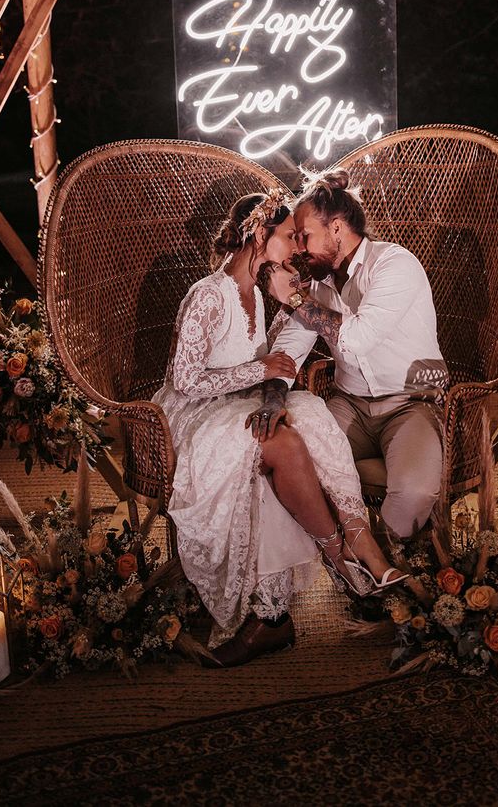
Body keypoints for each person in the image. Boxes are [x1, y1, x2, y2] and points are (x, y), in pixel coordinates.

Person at [152, 189, 406, 667]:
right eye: (289, 236)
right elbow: (183, 381)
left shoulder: (256, 293)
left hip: (235, 404)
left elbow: (279, 359)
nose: (296, 247)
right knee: (283, 443)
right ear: (258, 234)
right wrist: (260, 370)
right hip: (195, 417)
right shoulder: (208, 295)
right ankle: (344, 560)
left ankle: (275, 617)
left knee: (306, 422)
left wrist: (271, 364)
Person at [259, 171, 450, 542]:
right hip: (348, 405)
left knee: (414, 492)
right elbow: (290, 346)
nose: (298, 248)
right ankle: (349, 560)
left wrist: (295, 299)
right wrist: (273, 398)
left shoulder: (395, 265)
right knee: (290, 466)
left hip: (411, 403)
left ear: (337, 228)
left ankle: (378, 560)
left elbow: (358, 339)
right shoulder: (319, 284)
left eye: (304, 236)